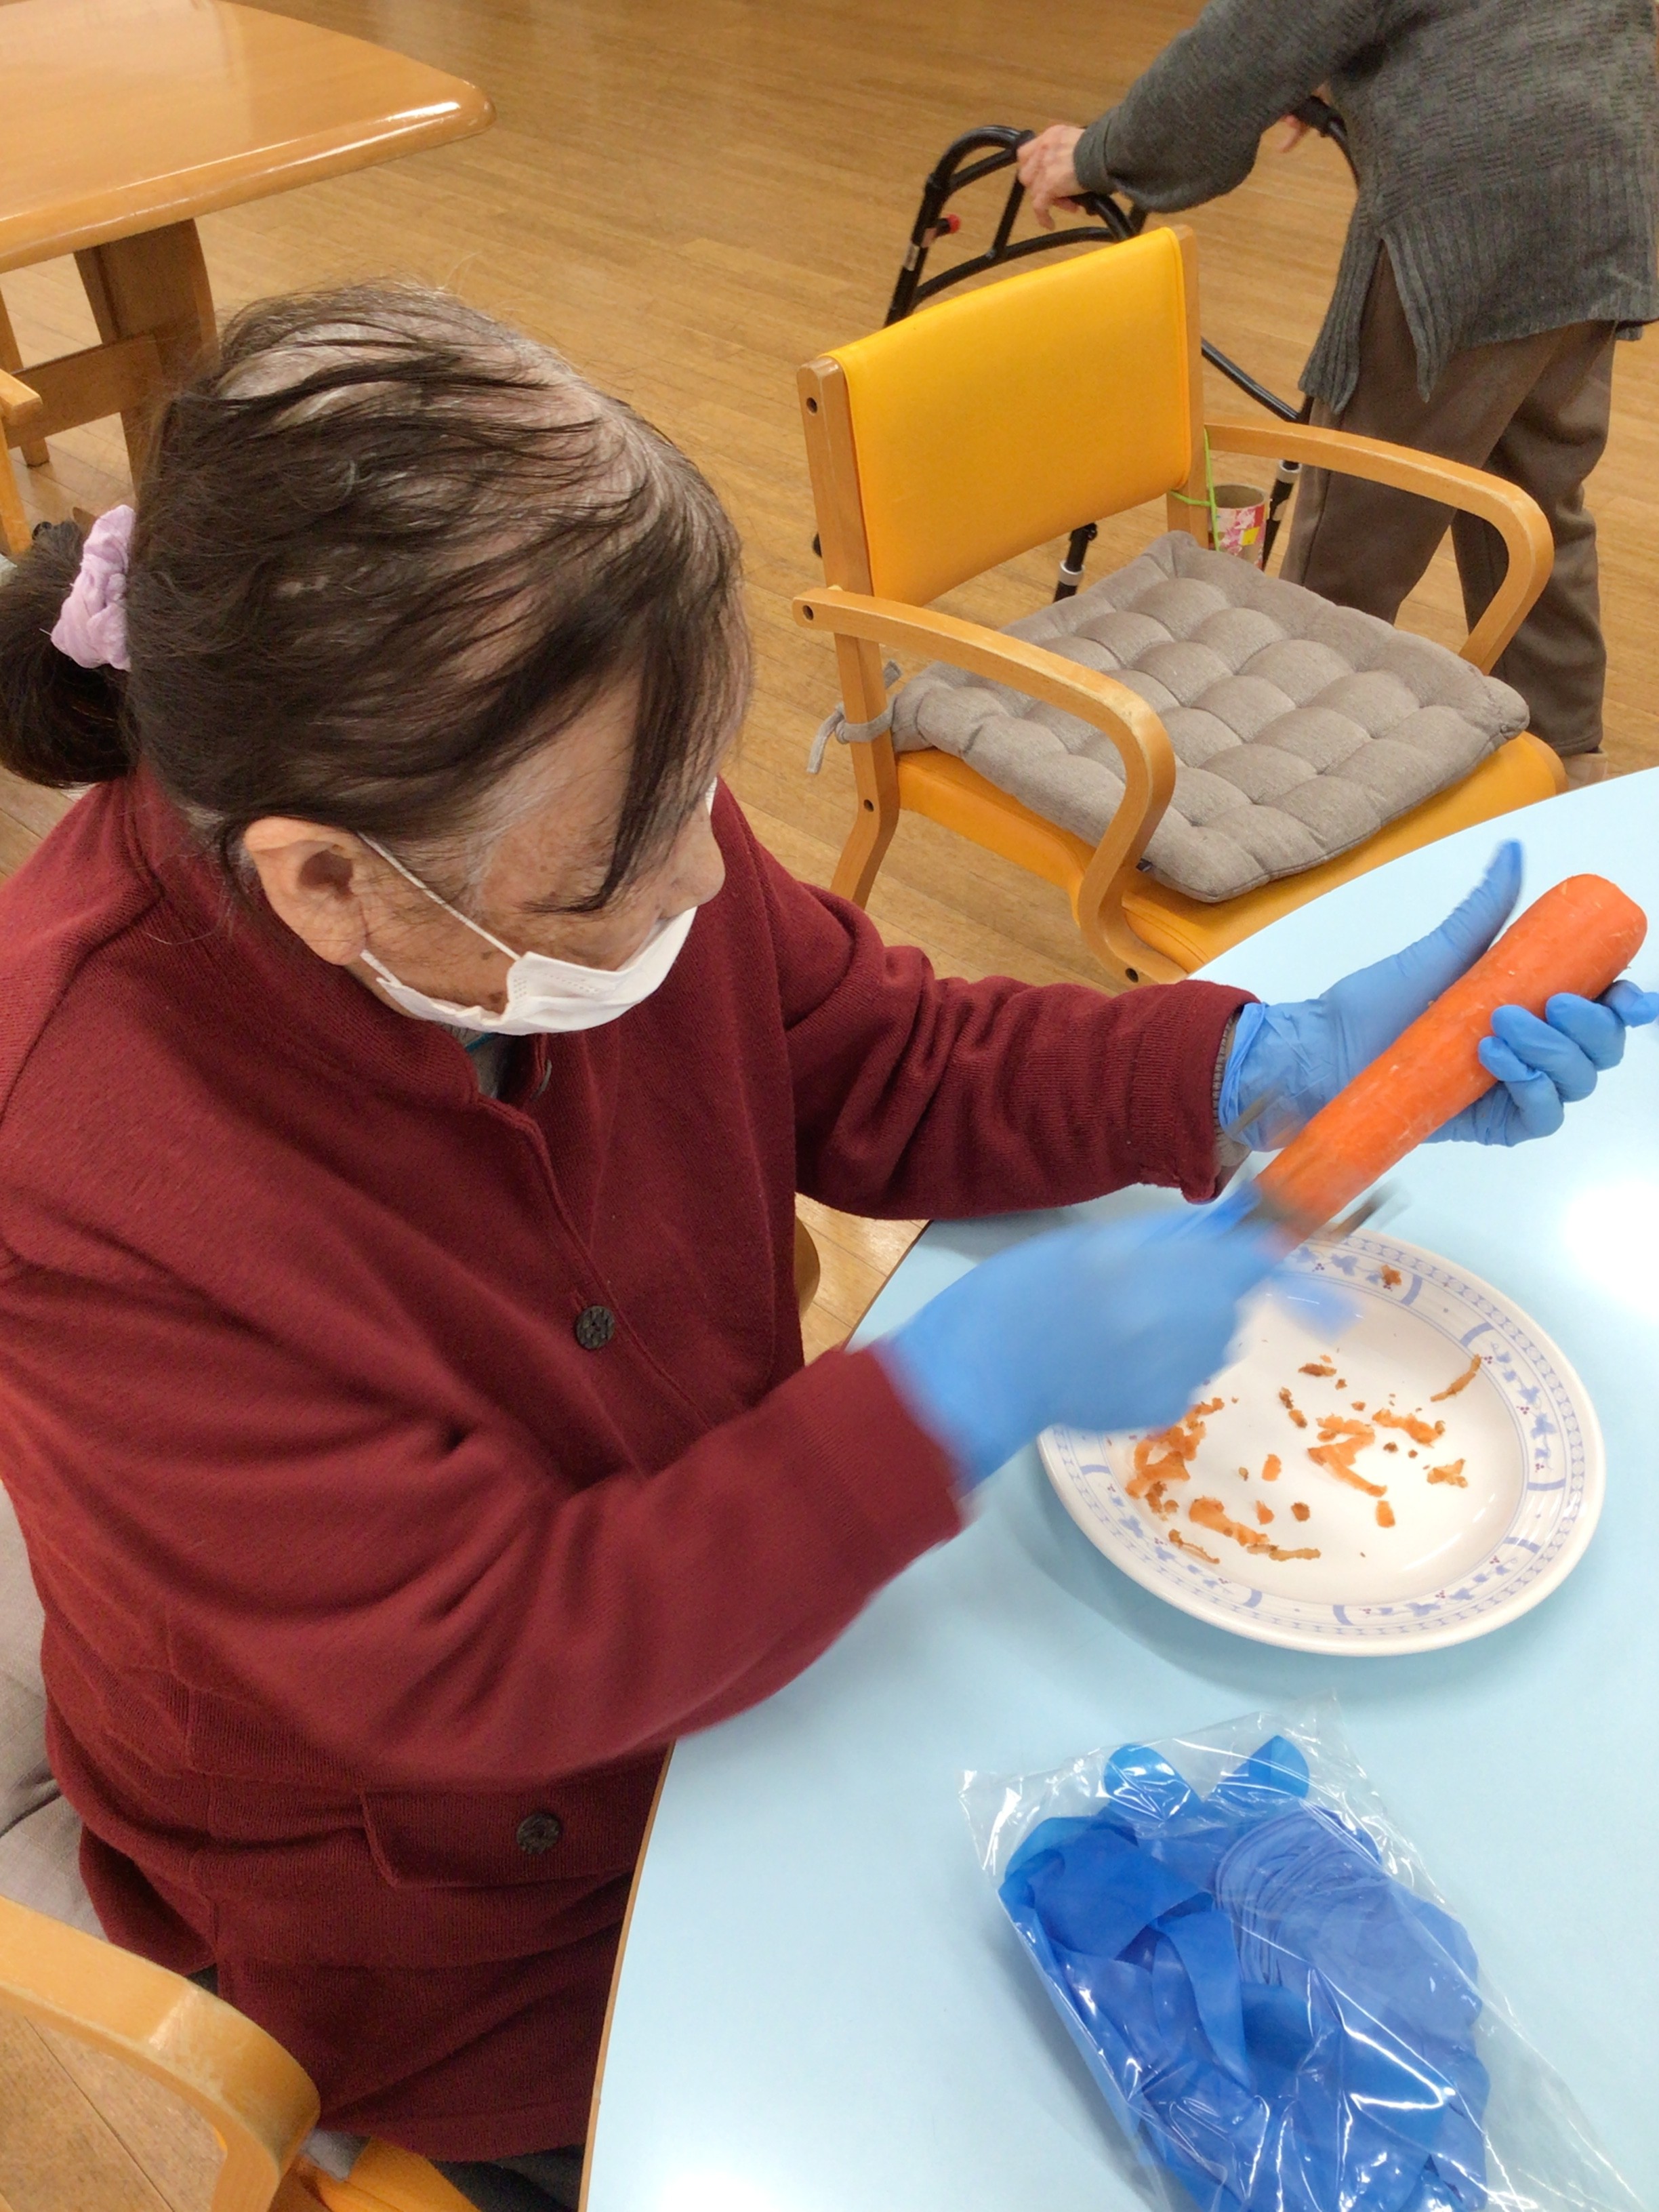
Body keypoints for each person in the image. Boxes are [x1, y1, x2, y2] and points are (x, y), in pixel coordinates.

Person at [0, 287, 1647, 2212]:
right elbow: (490, 1657)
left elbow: (879, 1054)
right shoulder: (80, 1162)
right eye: (621, 866)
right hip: (452, 1911)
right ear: (328, 880)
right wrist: (944, 1395)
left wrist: (1249, 1069)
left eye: (695, 797)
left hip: (762, 1653)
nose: (708, 881)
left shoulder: (562, 802)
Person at [1016, 0, 1659, 784]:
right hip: (1604, 164)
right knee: (1531, 492)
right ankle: (1567, 767)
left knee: (1354, 540)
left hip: (1470, 209)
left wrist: (1099, 153)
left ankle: (1283, 788)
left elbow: (1247, 43)